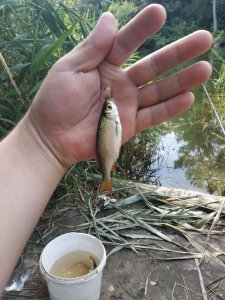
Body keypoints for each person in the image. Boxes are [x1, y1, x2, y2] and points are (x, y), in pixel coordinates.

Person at [0, 4, 212, 294]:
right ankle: (107, 180)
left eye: (108, 107)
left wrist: (40, 142)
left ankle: (106, 179)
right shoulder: (109, 115)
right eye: (109, 107)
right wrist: (41, 137)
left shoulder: (108, 117)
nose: (109, 107)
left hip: (95, 150)